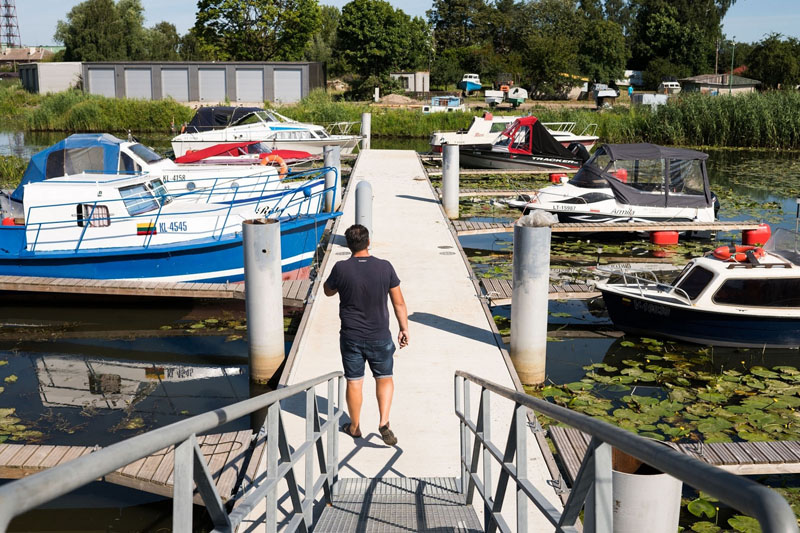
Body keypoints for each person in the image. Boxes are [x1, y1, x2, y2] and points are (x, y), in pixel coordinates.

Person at [323, 224, 409, 446]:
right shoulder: (385, 267)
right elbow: (398, 301)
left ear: (349, 245)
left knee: (354, 381)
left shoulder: (341, 268)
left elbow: (327, 291)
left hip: (351, 336)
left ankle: (354, 426)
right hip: (380, 335)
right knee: (384, 378)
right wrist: (404, 328)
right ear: (368, 242)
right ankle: (384, 422)